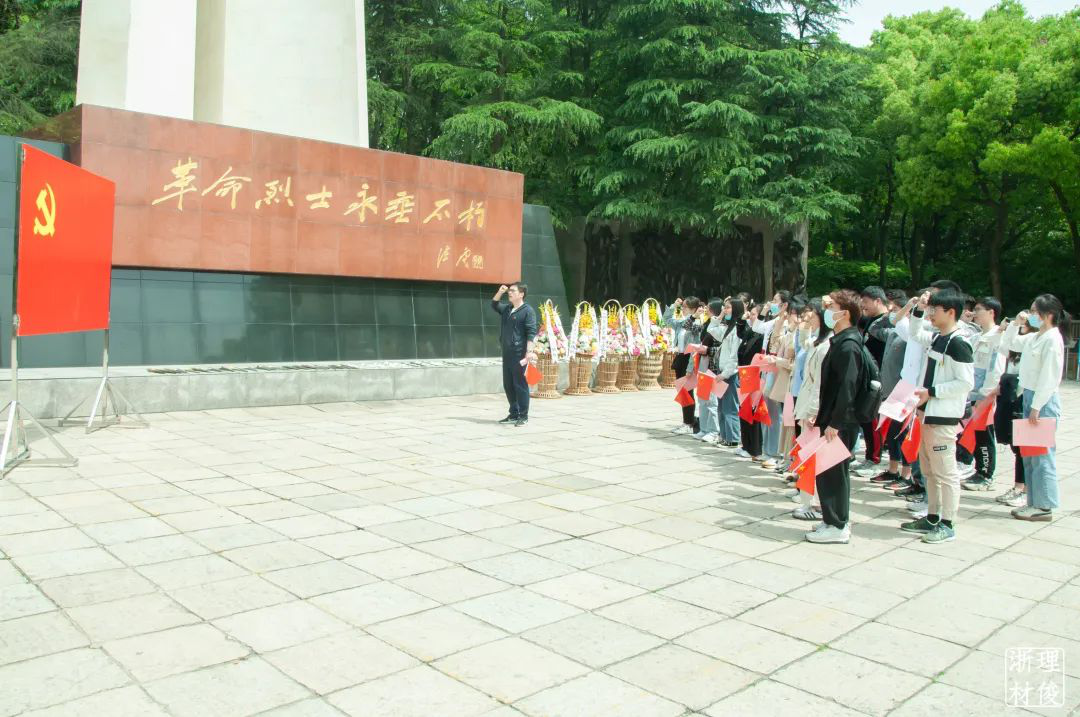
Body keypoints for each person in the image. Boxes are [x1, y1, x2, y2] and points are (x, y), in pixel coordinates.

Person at [899, 291, 974, 544]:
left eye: (935, 310)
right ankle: (932, 516)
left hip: (942, 417)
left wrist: (932, 392)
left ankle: (948, 523)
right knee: (929, 470)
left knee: (946, 472)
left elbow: (965, 383)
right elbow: (915, 333)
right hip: (925, 414)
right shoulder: (938, 337)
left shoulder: (958, 343)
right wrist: (919, 310)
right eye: (930, 310)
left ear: (951, 312)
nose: (931, 314)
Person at [998, 294, 1067, 522]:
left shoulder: (1052, 339)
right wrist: (1015, 325)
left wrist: (1037, 407)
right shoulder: (1035, 337)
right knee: (1029, 455)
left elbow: (1050, 377)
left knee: (1042, 456)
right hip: (1028, 397)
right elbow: (1009, 345)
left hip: (1042, 402)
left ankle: (1044, 505)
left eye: (1034, 311)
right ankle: (1033, 502)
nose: (1031, 315)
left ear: (1048, 315)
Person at [806, 289, 864, 544]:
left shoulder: (849, 345)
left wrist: (835, 422)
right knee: (829, 471)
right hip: (831, 417)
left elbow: (847, 388)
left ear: (845, 314)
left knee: (834, 473)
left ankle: (838, 524)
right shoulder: (841, 340)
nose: (827, 311)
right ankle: (832, 519)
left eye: (832, 308)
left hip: (840, 421)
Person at [867, 289, 913, 491]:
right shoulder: (893, 332)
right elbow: (874, 328)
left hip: (903, 391)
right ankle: (893, 469)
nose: (894, 313)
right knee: (892, 434)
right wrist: (887, 315)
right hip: (889, 391)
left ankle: (906, 473)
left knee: (901, 434)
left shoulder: (910, 335)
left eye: (897, 310)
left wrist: (904, 311)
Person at [959, 297, 1005, 491]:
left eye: (978, 310)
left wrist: (986, 395)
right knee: (975, 433)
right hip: (973, 394)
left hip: (986, 396)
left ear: (991, 312)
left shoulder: (998, 336)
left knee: (984, 434)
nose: (974, 313)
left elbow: (996, 370)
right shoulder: (977, 336)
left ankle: (986, 474)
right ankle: (978, 470)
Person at [792, 298, 832, 521]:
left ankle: (814, 504)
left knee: (813, 458)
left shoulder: (827, 345)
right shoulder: (818, 341)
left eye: (812, 314)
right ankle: (808, 499)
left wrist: (814, 411)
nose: (808, 317)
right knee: (806, 455)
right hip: (806, 403)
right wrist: (805, 327)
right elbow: (805, 343)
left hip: (813, 409)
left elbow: (820, 383)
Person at [491, 283, 537, 427]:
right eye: (509, 291)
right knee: (508, 385)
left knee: (520, 385)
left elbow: (531, 332)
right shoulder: (507, 309)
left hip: (519, 354)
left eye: (513, 291)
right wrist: (500, 292)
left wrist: (529, 352)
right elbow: (494, 304)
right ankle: (514, 413)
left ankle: (523, 416)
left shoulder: (527, 311)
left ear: (521, 294)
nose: (509, 293)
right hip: (507, 353)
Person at [854, 286, 890, 473]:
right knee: (866, 419)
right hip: (866, 375)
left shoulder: (888, 322)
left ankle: (874, 458)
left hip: (880, 378)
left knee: (873, 419)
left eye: (866, 302)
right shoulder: (868, 320)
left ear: (878, 301)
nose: (863, 306)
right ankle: (869, 456)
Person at [664, 297, 704, 434]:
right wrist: (673, 306)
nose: (683, 309)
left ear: (693, 309)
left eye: (685, 307)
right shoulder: (682, 322)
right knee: (682, 391)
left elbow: (695, 347)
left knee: (687, 391)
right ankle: (687, 421)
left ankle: (689, 422)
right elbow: (666, 320)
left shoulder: (696, 324)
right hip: (680, 357)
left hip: (689, 359)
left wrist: (690, 367)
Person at [692, 300, 727, 443]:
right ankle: (704, 429)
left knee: (711, 401)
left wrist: (707, 350)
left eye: (709, 308)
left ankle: (713, 431)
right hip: (703, 365)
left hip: (713, 367)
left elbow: (722, 349)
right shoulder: (708, 323)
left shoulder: (723, 327)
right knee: (702, 399)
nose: (706, 310)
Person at [713, 297, 745, 448]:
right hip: (722, 371)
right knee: (721, 407)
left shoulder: (738, 330)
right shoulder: (728, 327)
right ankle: (724, 436)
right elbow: (712, 330)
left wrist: (725, 374)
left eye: (728, 308)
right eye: (724, 307)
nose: (725, 310)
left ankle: (732, 438)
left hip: (730, 374)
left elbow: (734, 357)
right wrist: (720, 315)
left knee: (730, 407)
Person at [736, 300, 765, 461]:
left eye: (754, 315)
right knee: (744, 410)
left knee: (752, 412)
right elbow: (741, 332)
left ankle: (754, 448)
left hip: (755, 375)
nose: (751, 317)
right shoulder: (751, 332)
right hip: (745, 373)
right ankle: (746, 445)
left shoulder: (763, 334)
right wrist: (742, 319)